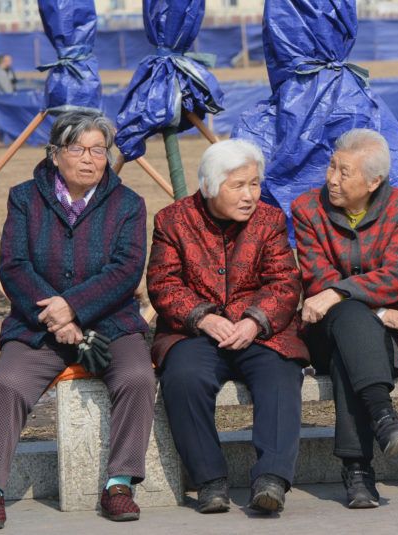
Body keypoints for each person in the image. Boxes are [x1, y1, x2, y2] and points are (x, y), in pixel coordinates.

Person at [0, 111, 156, 529]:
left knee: (137, 379)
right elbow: (14, 266)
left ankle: (120, 483)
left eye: (99, 149)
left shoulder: (128, 203)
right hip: (39, 325)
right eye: (78, 148)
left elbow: (126, 269)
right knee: (7, 384)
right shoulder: (24, 197)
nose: (90, 159)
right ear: (55, 154)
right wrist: (57, 317)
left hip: (110, 322)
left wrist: (73, 307)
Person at [147, 139, 308, 515]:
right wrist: (202, 316)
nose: (250, 195)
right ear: (209, 186)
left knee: (281, 374)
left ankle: (271, 479)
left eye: (254, 184)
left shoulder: (269, 220)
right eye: (238, 186)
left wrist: (255, 321)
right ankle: (210, 481)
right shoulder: (172, 220)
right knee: (185, 378)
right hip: (195, 330)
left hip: (260, 329)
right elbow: (163, 283)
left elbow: (285, 283)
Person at [291, 128, 398, 509]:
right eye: (332, 166)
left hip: (373, 338)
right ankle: (382, 414)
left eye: (344, 172)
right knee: (347, 316)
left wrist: (339, 293)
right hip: (324, 328)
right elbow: (317, 279)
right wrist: (380, 310)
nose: (331, 178)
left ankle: (358, 471)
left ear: (374, 181)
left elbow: (397, 276)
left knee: (349, 347)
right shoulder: (306, 209)